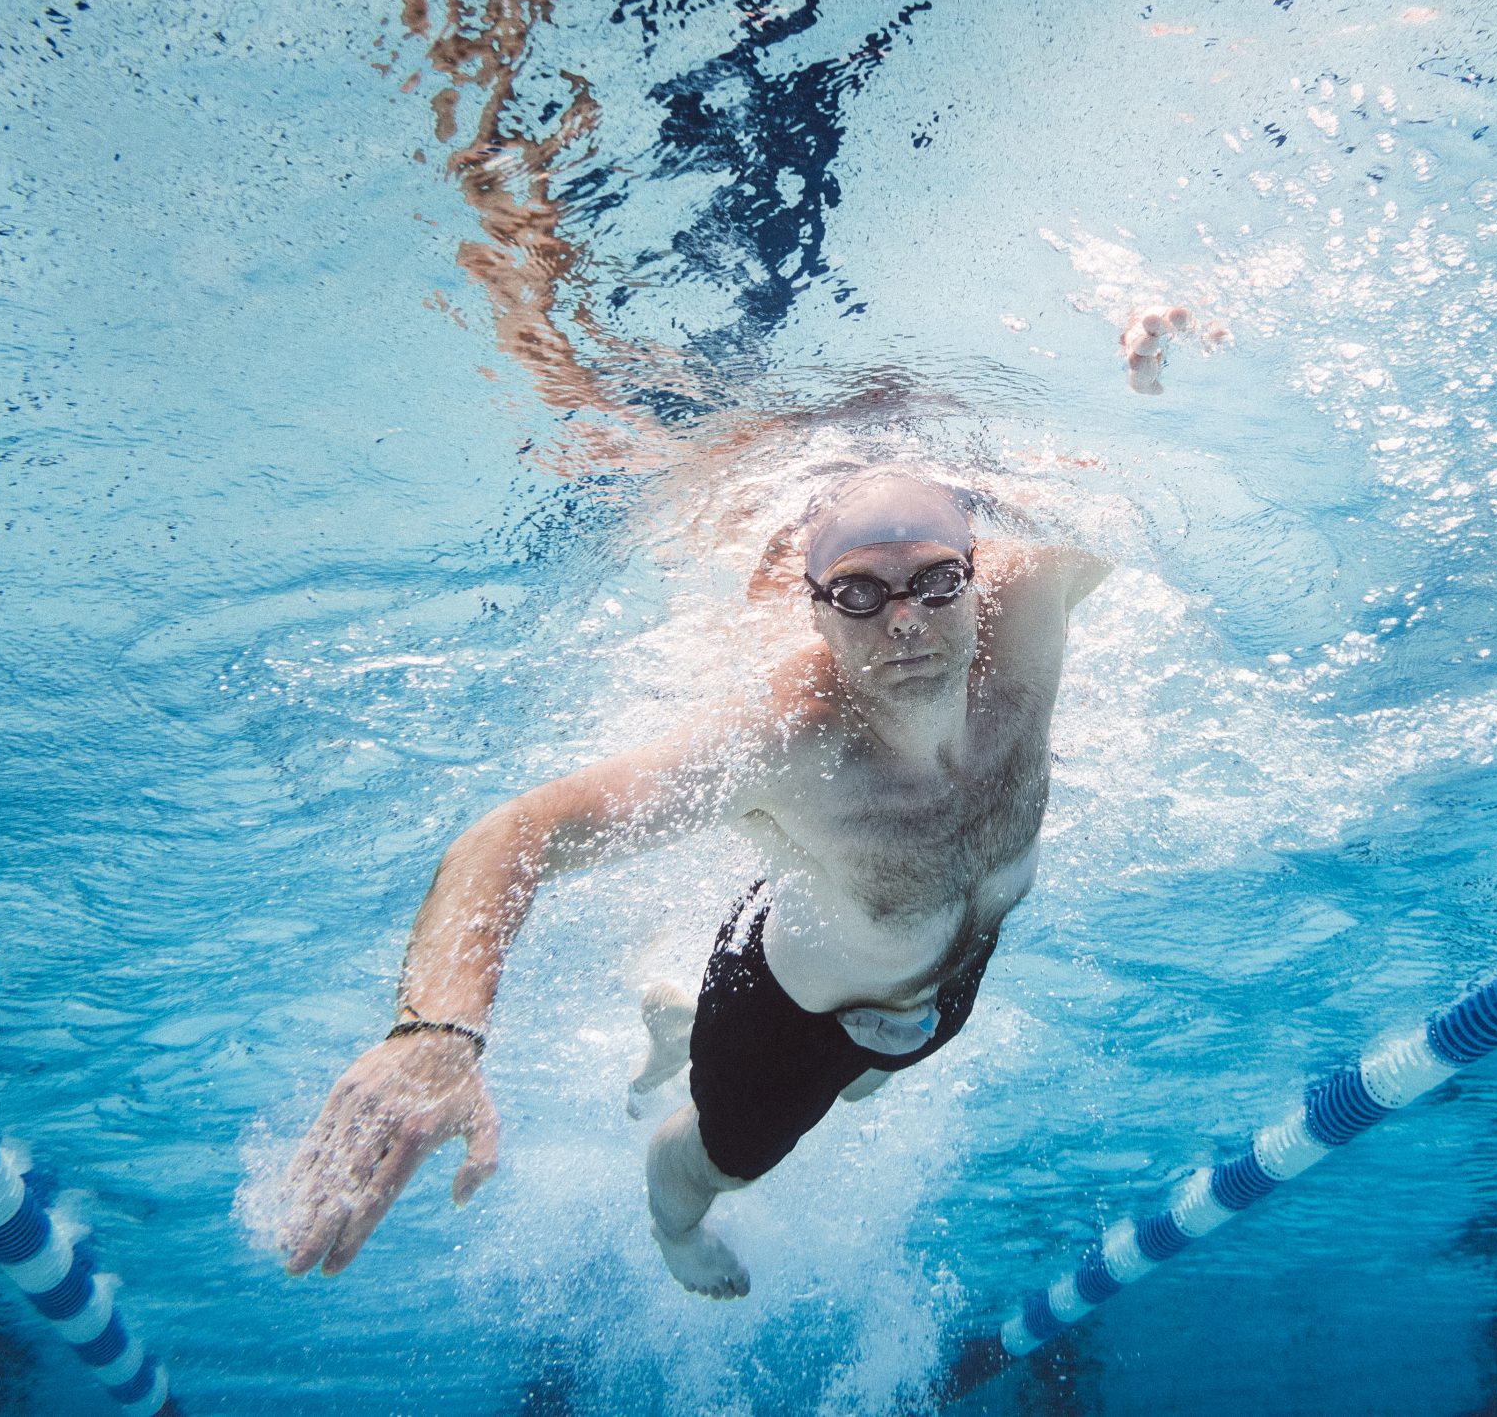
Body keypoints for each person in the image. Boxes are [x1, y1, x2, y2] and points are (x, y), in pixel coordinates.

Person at [276, 468, 1113, 1296]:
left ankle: (682, 1020)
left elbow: (1131, 486)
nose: (905, 621)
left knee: (868, 1083)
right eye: (859, 593)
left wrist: (1150, 368)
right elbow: (520, 831)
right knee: (728, 1163)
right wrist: (438, 1030)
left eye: (934, 582)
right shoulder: (781, 736)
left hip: (947, 974)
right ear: (815, 607)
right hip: (784, 1015)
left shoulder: (1031, 598)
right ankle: (671, 1221)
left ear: (974, 575)